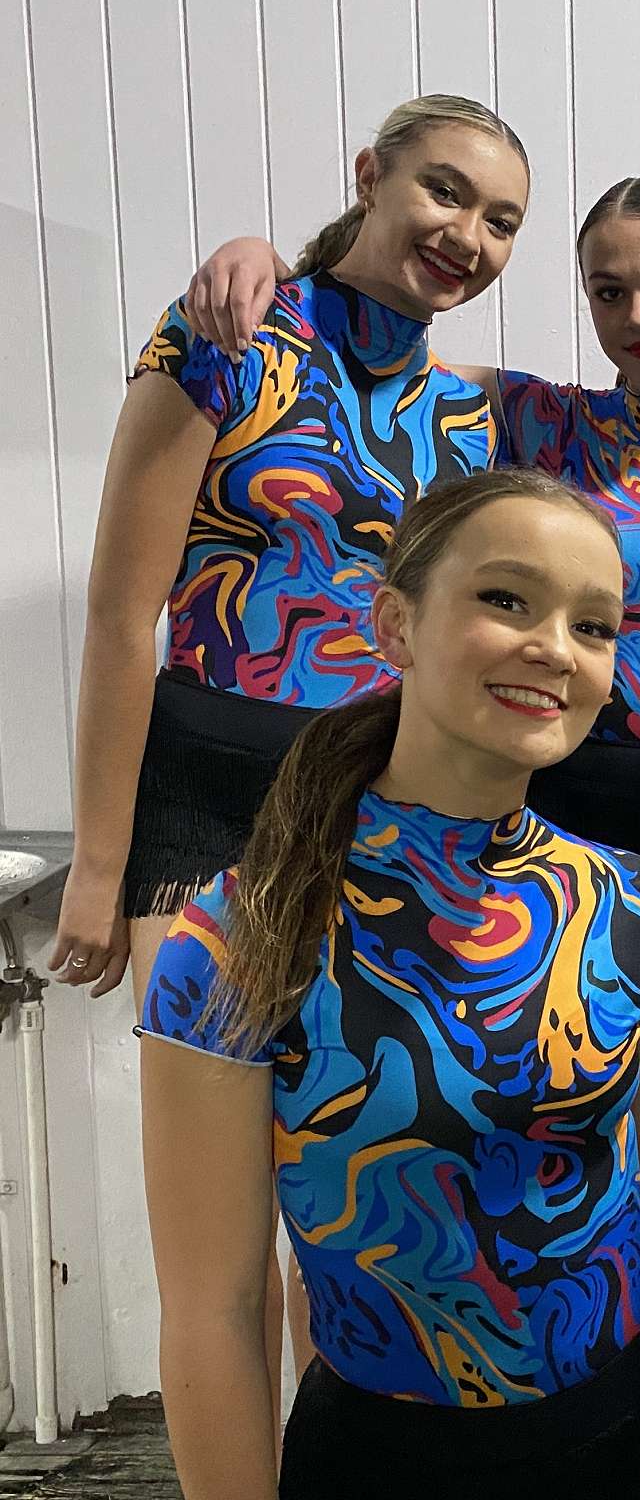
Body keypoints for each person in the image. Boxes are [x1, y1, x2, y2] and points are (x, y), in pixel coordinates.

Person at [137, 468, 640, 1500]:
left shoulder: (635, 907)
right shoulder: (240, 935)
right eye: (506, 599)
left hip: (629, 1449)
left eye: (594, 624)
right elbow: (212, 1312)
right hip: (389, 1482)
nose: (554, 647)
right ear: (395, 624)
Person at [178, 174, 640, 1407]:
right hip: (556, 791)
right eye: (609, 292)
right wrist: (270, 258)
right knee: (442, 1092)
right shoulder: (533, 417)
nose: (639, 316)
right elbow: (369, 344)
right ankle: (357, 1391)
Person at [53, 93, 527, 1004]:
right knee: (204, 1084)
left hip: (385, 801)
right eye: (445, 191)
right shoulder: (222, 335)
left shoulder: (472, 414)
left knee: (355, 1096)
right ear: (369, 177)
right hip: (208, 795)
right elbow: (119, 616)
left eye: (500, 222)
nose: (468, 235)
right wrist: (98, 865)